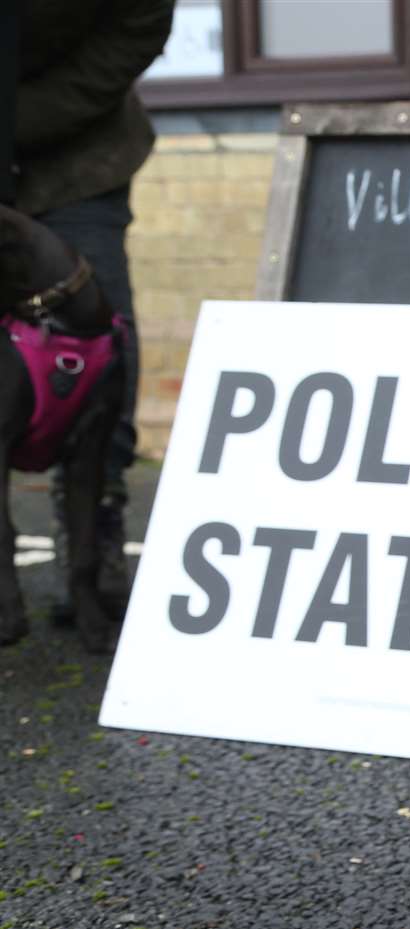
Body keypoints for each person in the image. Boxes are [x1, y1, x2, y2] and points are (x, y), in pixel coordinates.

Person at [7, 0, 175, 613]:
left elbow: (141, 18)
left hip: (76, 158)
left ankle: (95, 526)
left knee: (99, 346)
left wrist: (19, 119)